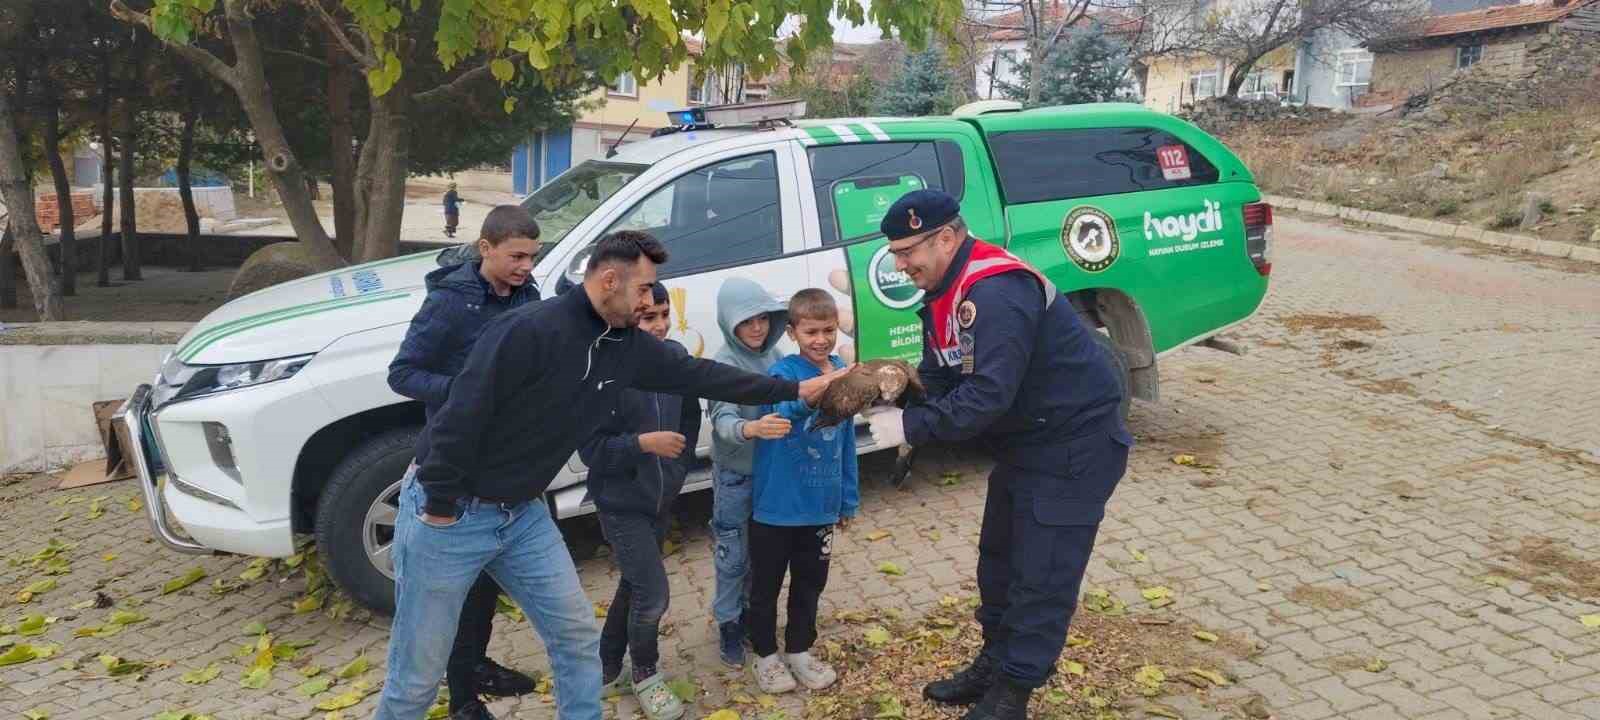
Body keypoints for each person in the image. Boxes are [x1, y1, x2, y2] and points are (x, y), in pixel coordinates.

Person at [372, 230, 843, 720]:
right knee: (417, 677)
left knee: (576, 637)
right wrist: (441, 507)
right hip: (451, 513)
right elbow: (460, 415)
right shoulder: (528, 330)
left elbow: (701, 375)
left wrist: (796, 388)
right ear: (610, 279)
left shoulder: (624, 344)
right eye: (643, 291)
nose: (649, 302)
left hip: (522, 515)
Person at [863, 190, 1131, 720]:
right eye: (894, 253)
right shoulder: (947, 287)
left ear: (946, 237)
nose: (899, 264)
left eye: (906, 251)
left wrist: (910, 425)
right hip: (1026, 443)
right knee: (1000, 563)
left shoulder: (995, 290)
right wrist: (897, 394)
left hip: (1073, 446)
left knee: (1042, 576)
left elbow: (987, 396)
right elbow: (944, 368)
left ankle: (1012, 696)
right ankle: (995, 662)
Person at [386, 205, 543, 720]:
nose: (525, 266)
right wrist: (465, 392)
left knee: (486, 586)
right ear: (486, 248)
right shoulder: (451, 304)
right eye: (516, 256)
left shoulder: (527, 296)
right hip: (457, 464)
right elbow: (404, 373)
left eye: (531, 256)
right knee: (456, 591)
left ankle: (474, 666)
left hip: (509, 464)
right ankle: (462, 701)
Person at [577, 283, 697, 720]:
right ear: (629, 318)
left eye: (664, 314)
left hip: (661, 496)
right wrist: (642, 444)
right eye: (650, 318)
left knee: (634, 582)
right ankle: (645, 674)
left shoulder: (676, 357)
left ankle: (607, 666)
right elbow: (591, 450)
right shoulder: (605, 370)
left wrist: (679, 469)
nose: (661, 325)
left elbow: (690, 417)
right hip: (620, 500)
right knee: (653, 594)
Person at [746, 289, 858, 694]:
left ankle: (798, 651)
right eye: (811, 331)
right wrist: (818, 390)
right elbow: (777, 411)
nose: (821, 340)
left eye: (828, 330)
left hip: (820, 509)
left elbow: (846, 443)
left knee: (810, 584)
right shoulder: (782, 374)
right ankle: (764, 656)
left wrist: (847, 499)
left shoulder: (842, 371)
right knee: (765, 587)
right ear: (792, 332)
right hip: (776, 509)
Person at [705, 277, 795, 667]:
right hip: (735, 477)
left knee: (764, 554)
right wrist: (750, 429)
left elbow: (798, 395)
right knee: (732, 555)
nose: (757, 328)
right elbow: (722, 418)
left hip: (771, 477)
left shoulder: (778, 356)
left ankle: (749, 615)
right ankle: (727, 623)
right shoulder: (723, 365)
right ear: (729, 323)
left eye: (763, 319)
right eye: (747, 322)